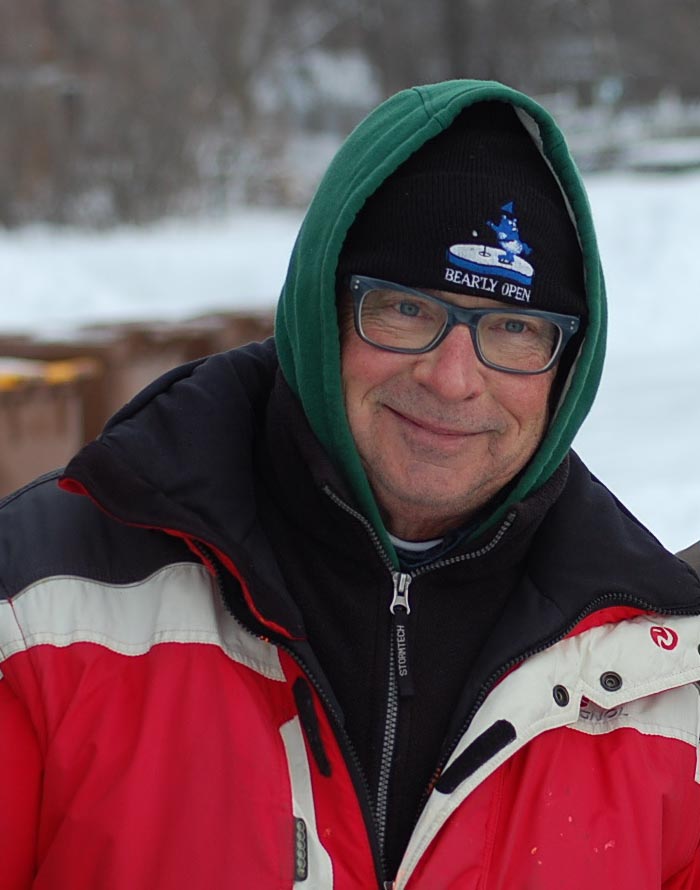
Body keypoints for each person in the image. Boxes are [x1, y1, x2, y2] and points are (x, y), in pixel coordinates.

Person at [2, 79, 700, 890]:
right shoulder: (39, 610)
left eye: (514, 327)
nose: (452, 378)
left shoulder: (665, 684)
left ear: (568, 368)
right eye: (406, 309)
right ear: (320, 312)